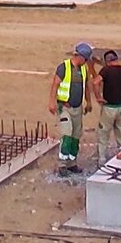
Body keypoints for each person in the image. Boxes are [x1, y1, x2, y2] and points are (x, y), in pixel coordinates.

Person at [49, 41, 96, 174]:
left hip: (77, 108)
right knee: (67, 134)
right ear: (81, 57)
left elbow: (86, 86)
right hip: (65, 107)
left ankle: (72, 163)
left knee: (76, 136)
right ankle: (62, 165)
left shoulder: (83, 69)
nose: (87, 62)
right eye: (86, 60)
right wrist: (52, 102)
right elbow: (55, 85)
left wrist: (89, 102)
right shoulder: (64, 67)